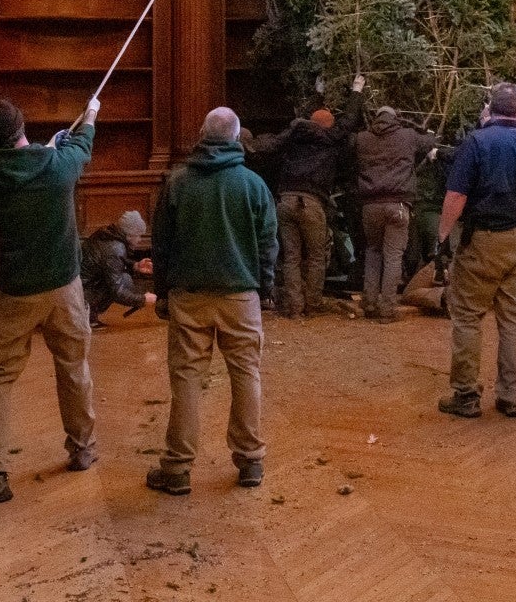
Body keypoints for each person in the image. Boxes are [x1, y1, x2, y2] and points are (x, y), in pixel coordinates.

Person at [0, 98, 99, 505]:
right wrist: (89, 114)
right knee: (73, 367)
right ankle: (82, 449)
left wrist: (49, 145)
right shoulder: (58, 167)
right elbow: (82, 146)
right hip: (64, 288)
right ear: (22, 124)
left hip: (15, 291)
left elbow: (25, 160)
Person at [145, 107, 277, 496]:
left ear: (202, 134)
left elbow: (162, 245)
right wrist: (265, 290)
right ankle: (250, 460)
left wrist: (164, 293)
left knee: (186, 380)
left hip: (189, 296)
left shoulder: (178, 182)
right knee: (246, 374)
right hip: (241, 296)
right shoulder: (253, 184)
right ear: (237, 139)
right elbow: (269, 245)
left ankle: (178, 468)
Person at [436, 82, 516, 419]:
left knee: (468, 317)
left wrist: (443, 237)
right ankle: (512, 395)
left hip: (483, 241)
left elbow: (456, 197)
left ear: (490, 108)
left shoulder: (476, 143)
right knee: (512, 318)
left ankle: (466, 394)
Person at [245, 78, 363, 319]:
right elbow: (349, 122)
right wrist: (356, 93)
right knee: (317, 255)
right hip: (312, 202)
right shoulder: (331, 139)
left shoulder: (295, 136)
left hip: (286, 200)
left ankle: (295, 307)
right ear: (329, 127)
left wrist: (318, 94)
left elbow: (270, 145)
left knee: (291, 256)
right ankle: (313, 303)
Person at [351, 106, 439, 322]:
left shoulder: (362, 139)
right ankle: (387, 309)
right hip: (398, 204)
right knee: (393, 257)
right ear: (394, 118)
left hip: (370, 205)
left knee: (373, 252)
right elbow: (429, 142)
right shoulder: (407, 136)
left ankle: (370, 303)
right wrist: (429, 133)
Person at [82, 211, 153, 324]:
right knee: (125, 280)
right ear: (130, 235)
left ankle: (87, 313)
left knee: (122, 278)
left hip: (80, 288)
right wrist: (143, 299)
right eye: (138, 235)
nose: (139, 240)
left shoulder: (107, 235)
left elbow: (107, 263)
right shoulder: (116, 248)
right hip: (83, 295)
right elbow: (117, 291)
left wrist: (135, 265)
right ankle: (88, 313)